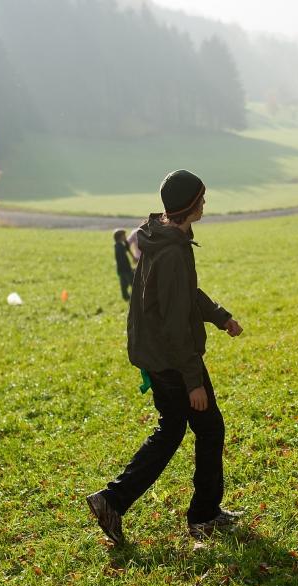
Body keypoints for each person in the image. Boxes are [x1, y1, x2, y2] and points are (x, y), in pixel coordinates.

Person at [87, 169, 243, 543]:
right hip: (172, 359)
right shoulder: (171, 251)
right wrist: (194, 382)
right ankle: (202, 515)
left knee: (172, 429)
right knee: (209, 428)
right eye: (201, 198)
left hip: (159, 355)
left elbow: (185, 295)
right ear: (190, 205)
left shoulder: (162, 237)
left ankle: (112, 501)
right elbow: (175, 325)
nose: (205, 203)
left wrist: (221, 317)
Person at [113, 228, 134, 301]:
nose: (125, 236)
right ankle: (132, 297)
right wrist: (130, 268)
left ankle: (126, 297)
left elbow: (127, 248)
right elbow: (123, 260)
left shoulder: (118, 245)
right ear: (120, 237)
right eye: (124, 235)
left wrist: (125, 241)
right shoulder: (119, 247)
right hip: (125, 269)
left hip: (121, 270)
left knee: (124, 285)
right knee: (133, 283)